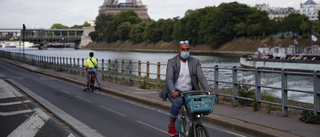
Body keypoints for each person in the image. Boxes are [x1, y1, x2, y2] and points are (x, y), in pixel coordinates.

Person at [159, 40, 212, 136]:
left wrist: (208, 90)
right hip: (176, 90)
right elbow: (169, 78)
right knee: (178, 102)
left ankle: (196, 130)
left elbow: (201, 77)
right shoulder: (172, 62)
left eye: (187, 49)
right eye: (183, 49)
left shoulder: (195, 61)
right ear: (178, 51)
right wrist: (173, 91)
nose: (185, 51)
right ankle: (171, 125)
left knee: (195, 113)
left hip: (190, 92)